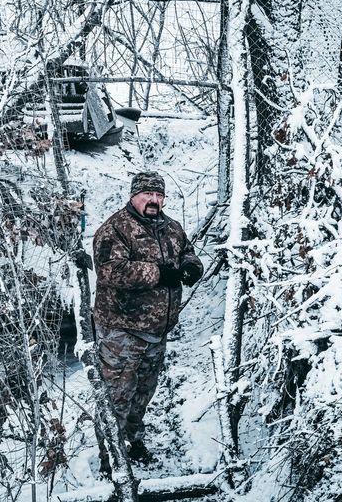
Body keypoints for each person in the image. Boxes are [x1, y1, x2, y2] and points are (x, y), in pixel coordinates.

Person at [91, 171, 203, 464]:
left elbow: (187, 252)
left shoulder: (171, 227)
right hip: (122, 331)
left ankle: (133, 440)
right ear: (134, 196)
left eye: (159, 195)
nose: (154, 200)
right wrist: (158, 273)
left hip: (157, 331)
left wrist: (192, 267)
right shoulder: (115, 229)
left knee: (143, 392)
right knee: (116, 395)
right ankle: (111, 455)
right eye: (148, 195)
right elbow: (110, 271)